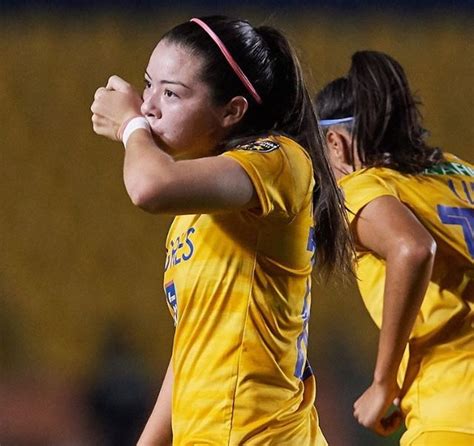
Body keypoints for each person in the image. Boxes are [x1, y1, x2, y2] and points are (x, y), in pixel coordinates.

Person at [90, 15, 354, 445]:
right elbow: (192, 349)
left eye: (171, 93)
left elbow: (148, 186)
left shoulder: (278, 160)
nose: (148, 104)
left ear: (232, 111)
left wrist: (129, 128)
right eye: (148, 83)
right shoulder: (198, 209)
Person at [315, 50, 474, 446]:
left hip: (453, 410)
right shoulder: (462, 173)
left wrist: (383, 383)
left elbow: (412, 248)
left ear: (335, 144)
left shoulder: (363, 185)